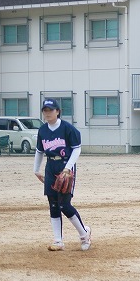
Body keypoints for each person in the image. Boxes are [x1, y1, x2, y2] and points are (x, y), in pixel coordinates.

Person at [33, 98, 91, 251]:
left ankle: (84, 235)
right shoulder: (43, 130)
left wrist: (68, 168)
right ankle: (58, 241)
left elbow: (77, 149)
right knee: (53, 205)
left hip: (66, 165)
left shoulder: (67, 128)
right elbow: (39, 151)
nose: (47, 113)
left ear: (57, 111)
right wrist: (36, 170)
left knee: (64, 205)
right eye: (45, 110)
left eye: (50, 110)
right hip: (50, 166)